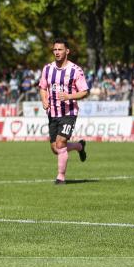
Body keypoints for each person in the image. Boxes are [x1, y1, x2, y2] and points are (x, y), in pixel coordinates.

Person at [39, 39, 89, 185]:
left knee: (60, 144)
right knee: (55, 149)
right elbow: (42, 87)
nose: (57, 52)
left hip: (69, 112)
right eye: (55, 50)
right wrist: (44, 100)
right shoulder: (47, 69)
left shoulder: (75, 70)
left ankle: (60, 177)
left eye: (60, 49)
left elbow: (84, 92)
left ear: (67, 51)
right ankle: (79, 146)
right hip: (53, 113)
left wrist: (69, 96)